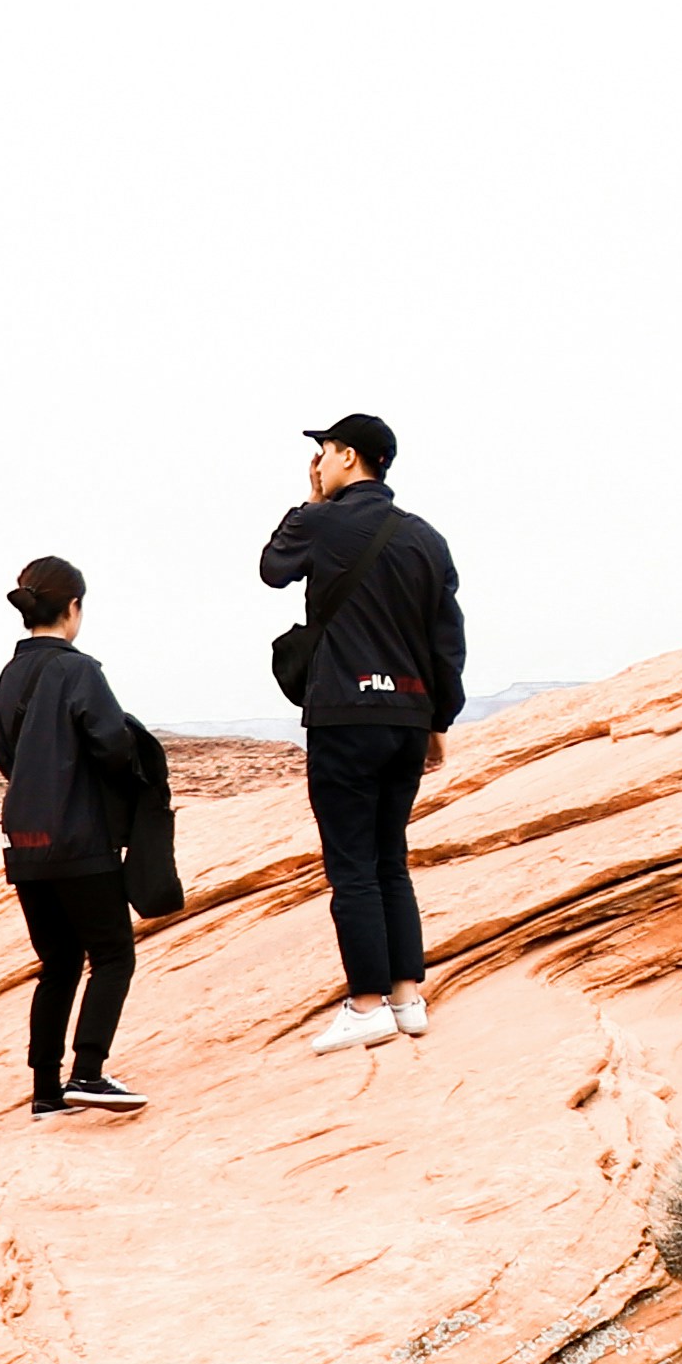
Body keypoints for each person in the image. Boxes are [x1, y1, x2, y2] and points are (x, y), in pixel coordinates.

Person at [261, 411, 466, 1054]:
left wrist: (310, 501)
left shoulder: (323, 520)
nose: (316, 463)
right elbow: (446, 640)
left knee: (352, 865)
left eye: (322, 453)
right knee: (389, 859)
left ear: (349, 457)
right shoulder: (425, 538)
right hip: (407, 718)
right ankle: (406, 997)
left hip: (345, 715)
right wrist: (437, 719)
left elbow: (272, 567)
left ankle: (366, 1004)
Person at [0, 553, 173, 1115]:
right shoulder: (79, 669)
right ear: (73, 608)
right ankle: (88, 1072)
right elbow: (112, 744)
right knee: (113, 954)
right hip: (80, 840)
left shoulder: (10, 674)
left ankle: (46, 1091)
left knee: (58, 963)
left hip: (27, 843)